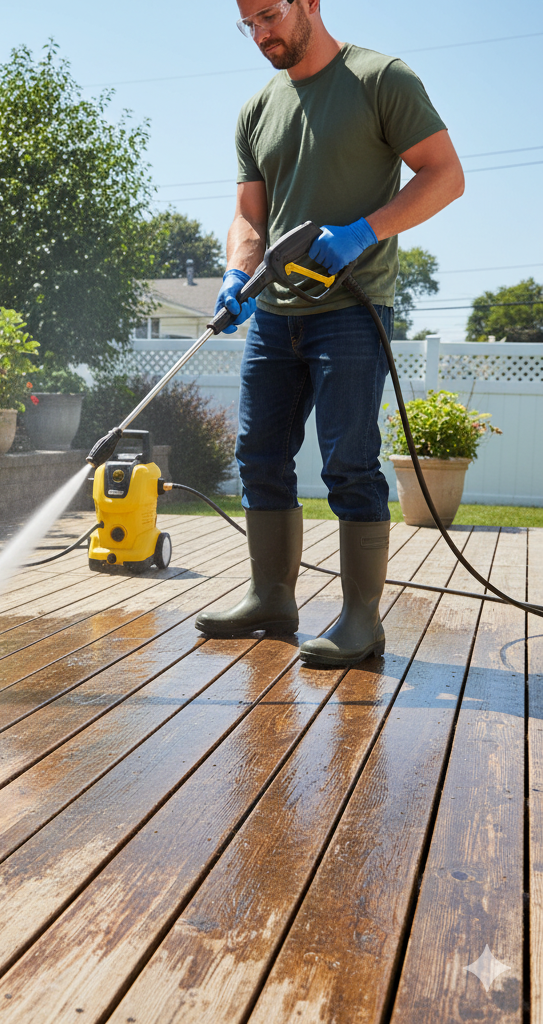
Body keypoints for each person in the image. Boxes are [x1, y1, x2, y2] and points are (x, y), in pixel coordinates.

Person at [195, 0, 464, 665]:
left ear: (309, 2)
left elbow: (446, 176)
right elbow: (249, 217)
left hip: (350, 307)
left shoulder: (380, 80)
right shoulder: (257, 111)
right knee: (259, 455)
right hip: (274, 318)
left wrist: (365, 232)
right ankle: (271, 597)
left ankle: (361, 621)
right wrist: (237, 272)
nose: (261, 34)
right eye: (248, 24)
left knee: (348, 462)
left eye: (270, 15)